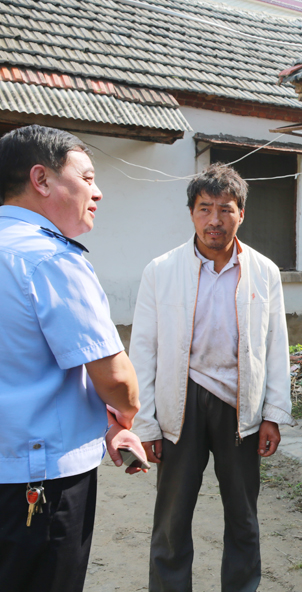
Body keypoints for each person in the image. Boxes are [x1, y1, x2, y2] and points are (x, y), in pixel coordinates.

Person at [130, 163, 293, 592]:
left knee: (243, 516)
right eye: (205, 209)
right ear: (191, 213)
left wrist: (273, 413)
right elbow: (143, 351)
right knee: (172, 518)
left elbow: (274, 346)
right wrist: (144, 423)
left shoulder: (264, 272)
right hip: (179, 403)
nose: (214, 220)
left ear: (242, 214)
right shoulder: (160, 271)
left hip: (239, 406)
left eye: (225, 209)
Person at [0, 125, 144, 592]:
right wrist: (123, 417)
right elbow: (117, 381)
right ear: (41, 179)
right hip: (38, 477)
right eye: (86, 176)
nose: (97, 192)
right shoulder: (51, 260)